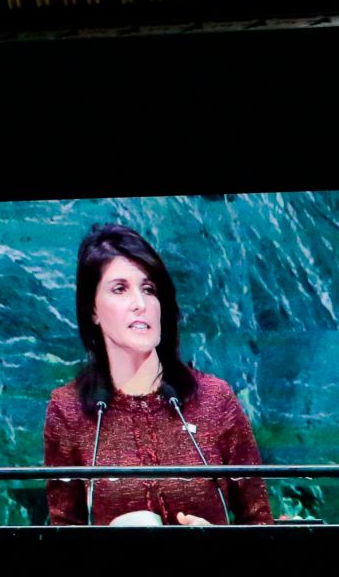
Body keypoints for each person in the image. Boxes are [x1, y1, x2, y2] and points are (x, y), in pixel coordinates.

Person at [41, 224, 273, 527]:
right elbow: (64, 529)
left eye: (149, 289)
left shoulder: (215, 399)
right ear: (92, 309)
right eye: (120, 289)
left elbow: (260, 523)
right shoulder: (68, 410)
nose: (140, 304)